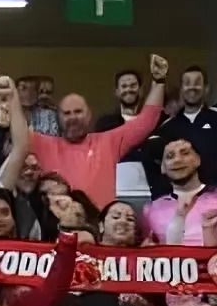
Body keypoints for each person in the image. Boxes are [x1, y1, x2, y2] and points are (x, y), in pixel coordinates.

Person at [25, 56, 167, 209]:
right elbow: (17, 134)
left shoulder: (109, 142)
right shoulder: (44, 144)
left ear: (89, 115)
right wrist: (9, 97)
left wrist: (159, 82)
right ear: (58, 117)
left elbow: (146, 121)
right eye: (66, 113)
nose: (72, 117)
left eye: (78, 112)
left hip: (100, 221)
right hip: (57, 222)